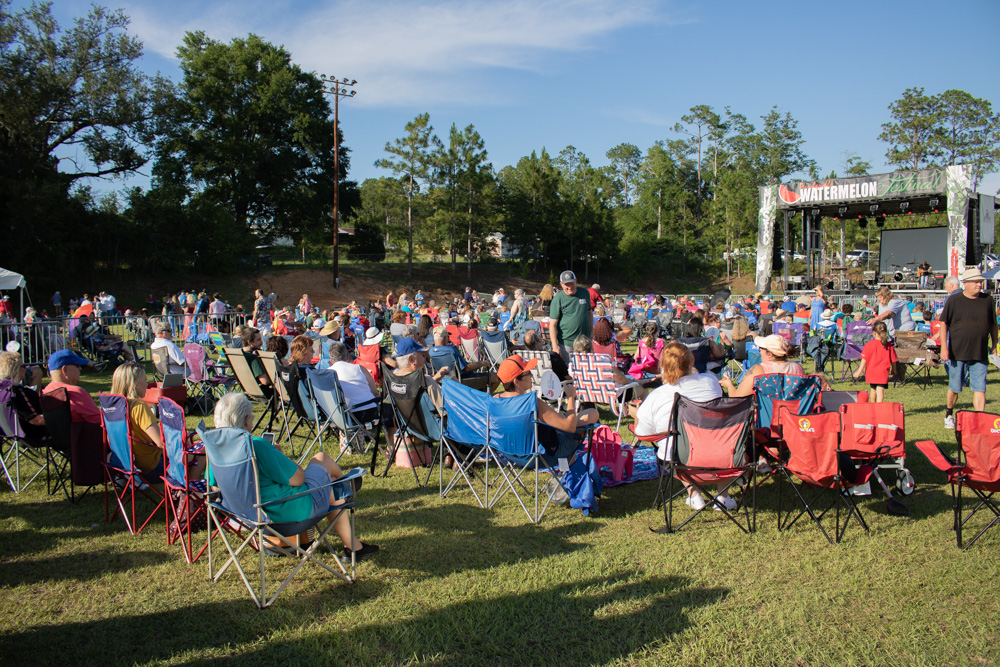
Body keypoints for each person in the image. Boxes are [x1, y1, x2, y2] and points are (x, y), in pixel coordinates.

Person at [209, 392, 379, 560]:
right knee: (323, 460)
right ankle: (346, 493)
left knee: (330, 486)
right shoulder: (257, 446)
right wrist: (279, 457)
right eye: (252, 417)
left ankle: (353, 544)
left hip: (247, 517)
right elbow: (298, 478)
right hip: (287, 516)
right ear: (246, 420)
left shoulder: (215, 451)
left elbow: (214, 487)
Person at [633, 342, 735, 511]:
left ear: (663, 367)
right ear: (691, 362)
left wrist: (636, 415)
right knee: (714, 436)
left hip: (681, 459)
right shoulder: (711, 382)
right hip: (722, 453)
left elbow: (642, 433)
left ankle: (694, 495)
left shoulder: (658, 395)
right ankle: (723, 496)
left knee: (673, 445)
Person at [496, 354, 599, 458]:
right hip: (544, 455)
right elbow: (570, 427)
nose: (532, 376)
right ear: (516, 382)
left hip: (513, 455)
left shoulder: (496, 400)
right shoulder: (531, 402)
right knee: (592, 413)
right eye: (528, 373)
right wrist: (571, 397)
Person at [940, 267, 998, 428]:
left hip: (980, 353)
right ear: (966, 283)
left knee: (980, 388)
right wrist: (944, 347)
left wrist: (994, 345)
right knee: (955, 387)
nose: (980, 285)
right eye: (976, 282)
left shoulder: (987, 300)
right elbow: (944, 323)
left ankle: (980, 419)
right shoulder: (954, 300)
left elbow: (993, 324)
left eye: (981, 282)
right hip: (957, 352)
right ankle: (949, 414)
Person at [720, 334, 804, 397]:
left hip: (766, 417)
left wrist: (729, 385)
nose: (759, 351)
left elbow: (737, 399)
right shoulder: (797, 368)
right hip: (794, 416)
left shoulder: (759, 370)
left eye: (761, 349)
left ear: (770, 354)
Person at [42, 350, 102, 425]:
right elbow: (100, 422)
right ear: (65, 370)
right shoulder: (76, 393)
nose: (80, 368)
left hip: (60, 436)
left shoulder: (45, 391)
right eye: (77, 365)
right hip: (82, 436)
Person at [429, 326, 497, 392]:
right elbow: (467, 368)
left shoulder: (431, 352)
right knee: (496, 377)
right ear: (444, 338)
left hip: (443, 381)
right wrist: (482, 363)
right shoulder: (451, 351)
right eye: (447, 337)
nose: (448, 339)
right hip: (462, 380)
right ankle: (481, 400)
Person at [0, 351, 47, 442]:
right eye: (23, 366)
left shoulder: (2, 391)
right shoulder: (16, 392)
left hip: (6, 433)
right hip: (29, 435)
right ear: (15, 369)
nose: (26, 369)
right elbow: (36, 420)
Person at [549, 270, 593, 362]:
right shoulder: (558, 299)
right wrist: (555, 346)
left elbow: (589, 312)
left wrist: (592, 330)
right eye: (566, 284)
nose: (569, 287)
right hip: (567, 343)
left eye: (571, 283)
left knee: (587, 370)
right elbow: (552, 324)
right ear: (561, 284)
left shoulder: (584, 292)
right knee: (569, 372)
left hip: (585, 342)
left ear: (576, 281)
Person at [853, 321, 896, 403]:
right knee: (880, 391)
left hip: (871, 372)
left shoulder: (869, 345)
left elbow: (864, 360)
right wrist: (894, 369)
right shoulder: (889, 345)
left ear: (874, 333)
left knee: (873, 390)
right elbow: (893, 360)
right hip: (883, 372)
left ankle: (873, 406)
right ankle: (879, 408)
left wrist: (859, 371)